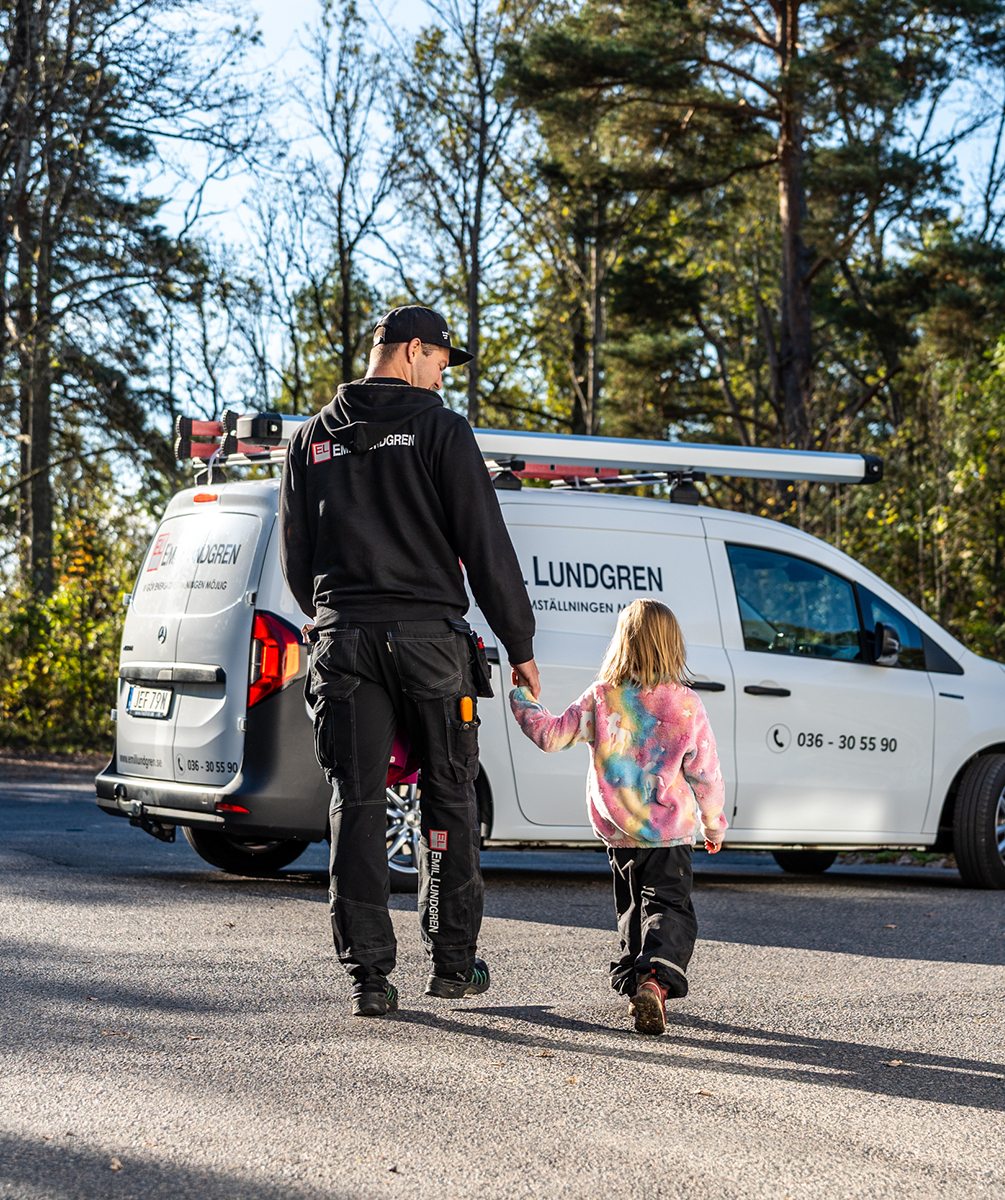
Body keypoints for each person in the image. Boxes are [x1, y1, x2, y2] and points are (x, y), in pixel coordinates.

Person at [279, 304, 539, 1017]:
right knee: (448, 795)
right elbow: (485, 543)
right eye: (441, 363)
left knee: (355, 804)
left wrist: (337, 614)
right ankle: (453, 966)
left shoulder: (308, 441)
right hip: (430, 642)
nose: (443, 378)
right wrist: (520, 644)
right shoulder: (440, 429)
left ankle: (369, 976)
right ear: (412, 351)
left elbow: (298, 563)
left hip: (344, 644)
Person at [509, 599, 725, 1035]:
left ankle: (637, 983)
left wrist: (521, 697)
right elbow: (704, 773)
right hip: (668, 833)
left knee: (630, 909)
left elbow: (551, 736)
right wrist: (713, 823)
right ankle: (654, 982)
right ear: (673, 646)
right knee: (669, 907)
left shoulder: (602, 697)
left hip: (619, 833)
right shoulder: (685, 704)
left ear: (622, 643)